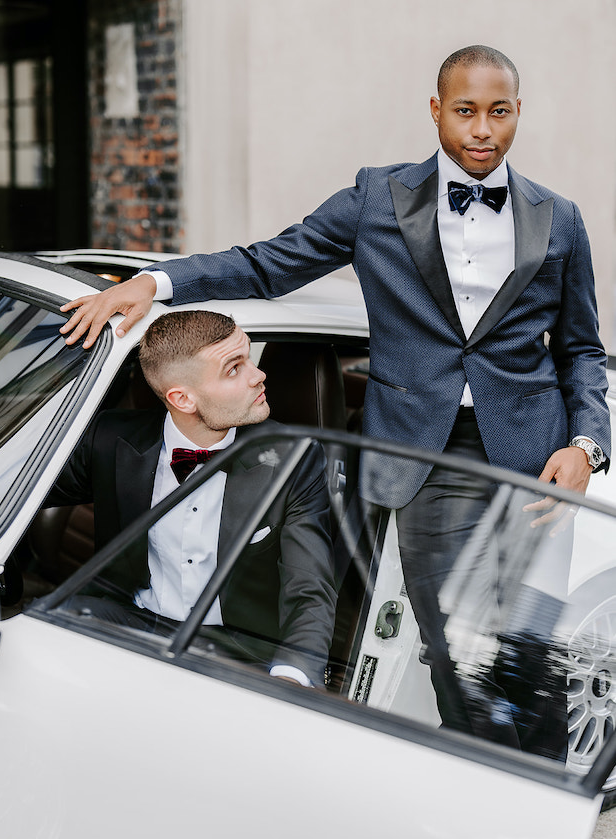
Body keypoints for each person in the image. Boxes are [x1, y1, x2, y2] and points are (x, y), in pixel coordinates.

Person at [58, 46, 610, 756]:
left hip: (536, 461)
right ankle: (489, 792)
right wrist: (155, 284)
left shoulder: (558, 218)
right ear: (436, 110)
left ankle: (546, 798)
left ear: (518, 113)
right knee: (459, 656)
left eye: (498, 112)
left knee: (530, 660)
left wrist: (586, 446)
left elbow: (582, 349)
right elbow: (266, 263)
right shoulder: (376, 199)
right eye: (466, 111)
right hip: (423, 456)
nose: (482, 130)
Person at [46, 310, 337, 688]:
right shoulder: (111, 438)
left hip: (233, 645)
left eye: (248, 356)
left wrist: (292, 676)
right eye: (234, 369)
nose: (258, 375)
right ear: (182, 399)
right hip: (129, 618)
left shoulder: (293, 458)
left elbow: (310, 588)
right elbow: (16, 491)